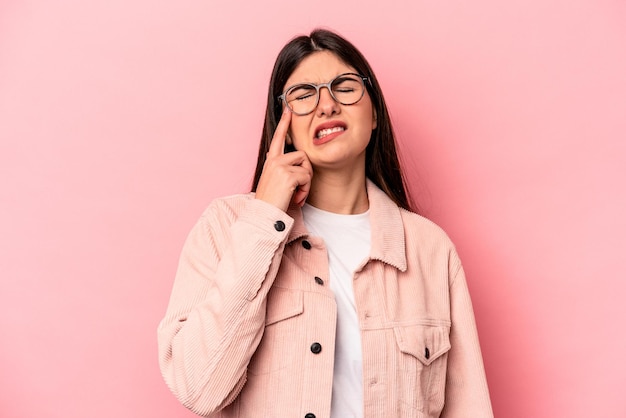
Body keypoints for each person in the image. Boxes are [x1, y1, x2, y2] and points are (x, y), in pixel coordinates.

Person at [158, 28, 493, 418]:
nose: (327, 105)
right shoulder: (225, 227)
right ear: (282, 125)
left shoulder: (430, 250)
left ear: (374, 116)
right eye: (303, 95)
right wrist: (265, 217)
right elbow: (197, 387)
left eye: (344, 87)